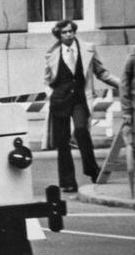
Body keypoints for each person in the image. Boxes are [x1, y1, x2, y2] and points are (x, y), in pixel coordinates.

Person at [43, 19, 120, 193]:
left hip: (80, 99)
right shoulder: (52, 54)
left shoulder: (88, 49)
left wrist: (123, 84)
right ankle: (68, 182)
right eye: (64, 32)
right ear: (59, 35)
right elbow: (47, 80)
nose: (69, 35)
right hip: (60, 101)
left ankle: (93, 171)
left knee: (81, 130)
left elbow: (102, 72)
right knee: (62, 142)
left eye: (71, 31)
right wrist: (51, 95)